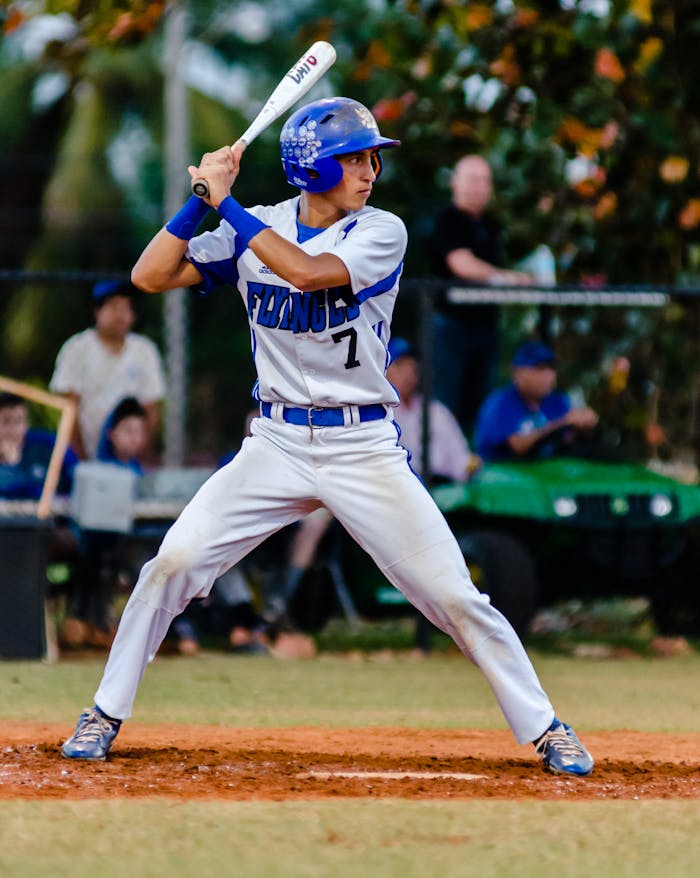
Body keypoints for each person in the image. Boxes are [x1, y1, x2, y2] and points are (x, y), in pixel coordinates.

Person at [61, 96, 593, 777]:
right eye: (353, 159)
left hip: (363, 446)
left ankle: (546, 728)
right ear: (310, 169)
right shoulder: (259, 226)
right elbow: (149, 274)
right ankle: (104, 711)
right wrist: (200, 199)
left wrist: (227, 206)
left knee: (456, 595)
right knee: (171, 563)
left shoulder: (380, 231)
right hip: (276, 443)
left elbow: (306, 273)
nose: (370, 170)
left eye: (372, 157)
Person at [428, 155, 534, 435]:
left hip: (486, 326)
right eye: (473, 180)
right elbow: (461, 264)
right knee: (446, 405)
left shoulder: (491, 224)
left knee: (482, 404)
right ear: (455, 183)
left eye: (484, 181)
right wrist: (505, 278)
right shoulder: (448, 220)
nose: (479, 188)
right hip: (451, 328)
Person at [60, 397, 151, 650]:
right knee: (98, 556)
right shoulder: (94, 471)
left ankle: (102, 624)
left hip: (125, 545)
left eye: (140, 432)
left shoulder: (139, 474)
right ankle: (87, 621)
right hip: (92, 544)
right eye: (129, 431)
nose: (136, 438)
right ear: (111, 434)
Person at [49, 280, 166, 461]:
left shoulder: (145, 351)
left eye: (126, 308)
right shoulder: (76, 348)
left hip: (128, 458)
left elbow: (150, 408)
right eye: (114, 307)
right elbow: (68, 407)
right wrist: (81, 459)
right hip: (85, 452)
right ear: (97, 312)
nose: (121, 315)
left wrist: (141, 455)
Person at [474, 340, 599, 462]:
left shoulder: (557, 401)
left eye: (551, 368)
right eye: (540, 368)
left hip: (544, 475)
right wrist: (562, 423)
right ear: (518, 372)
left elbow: (569, 440)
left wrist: (583, 426)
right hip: (500, 476)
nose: (548, 376)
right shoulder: (499, 404)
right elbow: (517, 447)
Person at [386, 337, 480, 483]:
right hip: (399, 487)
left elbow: (463, 461)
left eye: (413, 367)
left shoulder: (436, 410)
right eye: (400, 365)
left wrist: (470, 466)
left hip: (443, 489)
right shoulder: (377, 414)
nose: (408, 374)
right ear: (384, 370)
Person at [0, 392, 77, 499]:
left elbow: (74, 485)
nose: (13, 430)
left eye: (18, 421)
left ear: (27, 423)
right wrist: (10, 466)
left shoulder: (48, 447)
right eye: (6, 421)